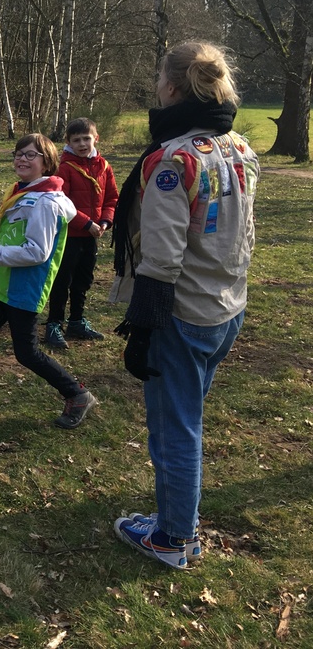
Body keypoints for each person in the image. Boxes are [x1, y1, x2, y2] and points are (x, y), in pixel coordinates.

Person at [111, 41, 259, 569]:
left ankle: (174, 537)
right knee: (187, 419)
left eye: (158, 80)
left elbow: (162, 257)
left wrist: (143, 326)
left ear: (172, 88)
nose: (155, 88)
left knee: (176, 429)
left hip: (183, 314)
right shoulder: (239, 145)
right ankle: (176, 518)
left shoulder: (172, 158)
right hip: (227, 307)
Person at [0, 133, 97, 429]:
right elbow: (15, 238)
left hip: (26, 287)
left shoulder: (46, 202)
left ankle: (77, 395)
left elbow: (37, 252)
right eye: (19, 153)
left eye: (31, 155)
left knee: (26, 353)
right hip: (2, 283)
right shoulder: (23, 191)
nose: (22, 159)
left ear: (47, 162)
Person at [43, 117, 119, 349]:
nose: (82, 144)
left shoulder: (103, 166)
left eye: (86, 138)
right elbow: (60, 203)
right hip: (69, 236)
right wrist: (87, 224)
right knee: (62, 280)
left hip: (92, 235)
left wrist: (105, 221)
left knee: (83, 280)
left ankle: (77, 319)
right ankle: (54, 323)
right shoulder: (64, 168)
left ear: (96, 138)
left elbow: (112, 198)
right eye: (76, 140)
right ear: (68, 142)